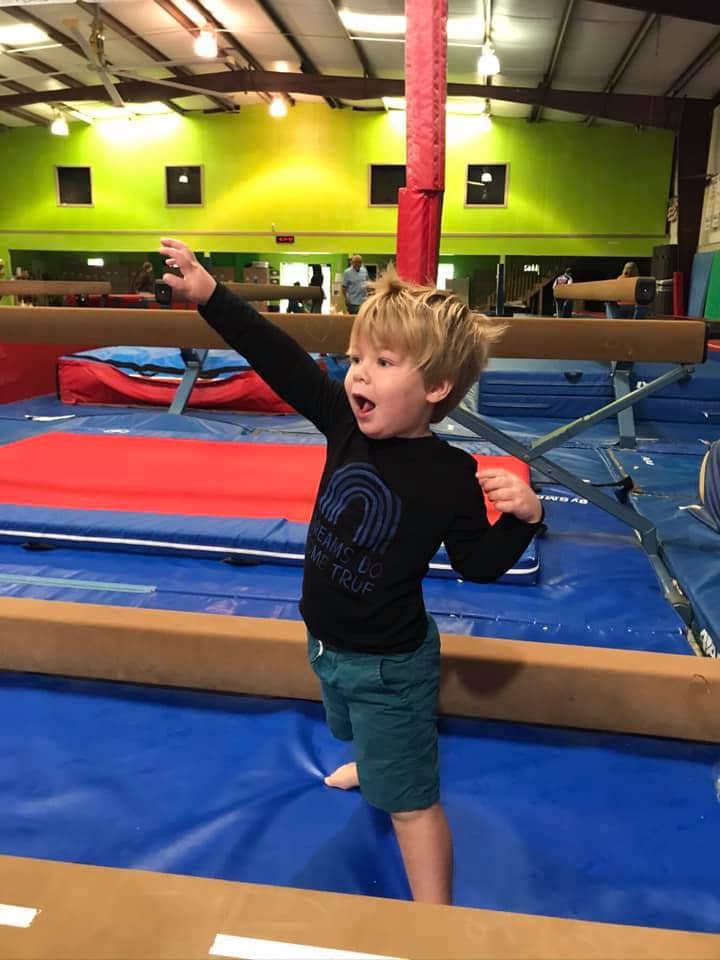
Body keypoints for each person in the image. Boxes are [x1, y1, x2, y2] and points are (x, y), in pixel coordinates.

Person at [158, 237, 543, 906]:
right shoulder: (344, 422)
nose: (357, 374)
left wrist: (522, 520)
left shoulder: (450, 476)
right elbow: (276, 357)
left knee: (411, 806)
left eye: (383, 361)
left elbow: (478, 566)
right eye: (357, 357)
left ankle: (434, 921)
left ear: (436, 386)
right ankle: (373, 758)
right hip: (326, 646)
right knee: (352, 728)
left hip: (390, 668)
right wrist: (210, 295)